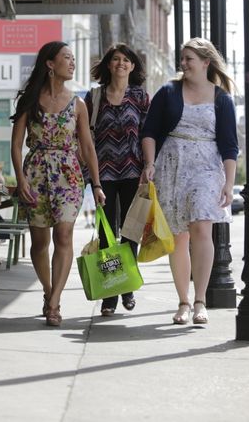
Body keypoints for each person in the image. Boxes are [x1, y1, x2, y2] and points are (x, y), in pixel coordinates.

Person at [140, 37, 238, 326]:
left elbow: (230, 146)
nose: (183, 64)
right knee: (178, 237)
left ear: (206, 63)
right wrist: (149, 164)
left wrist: (229, 184)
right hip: (171, 166)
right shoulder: (168, 91)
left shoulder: (221, 99)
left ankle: (200, 301)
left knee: (201, 228)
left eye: (189, 59)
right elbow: (149, 132)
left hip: (207, 167)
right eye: (182, 59)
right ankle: (183, 302)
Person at [10, 41, 106, 327]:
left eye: (73, 58)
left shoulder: (78, 104)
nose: (72, 62)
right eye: (67, 57)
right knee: (40, 242)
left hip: (69, 175)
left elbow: (87, 147)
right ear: (50, 64)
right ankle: (47, 290)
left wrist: (97, 184)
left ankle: (55, 302)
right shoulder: (29, 100)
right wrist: (21, 178)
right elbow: (16, 145)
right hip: (36, 173)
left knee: (64, 237)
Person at [85, 43, 150, 317]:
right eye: (115, 59)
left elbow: (148, 133)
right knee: (106, 233)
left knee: (130, 232)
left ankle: (127, 287)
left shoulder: (140, 97)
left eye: (126, 59)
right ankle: (110, 294)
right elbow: (86, 136)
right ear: (108, 65)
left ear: (132, 66)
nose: (121, 63)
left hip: (134, 172)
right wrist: (92, 176)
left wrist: (149, 165)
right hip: (104, 173)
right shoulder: (95, 97)